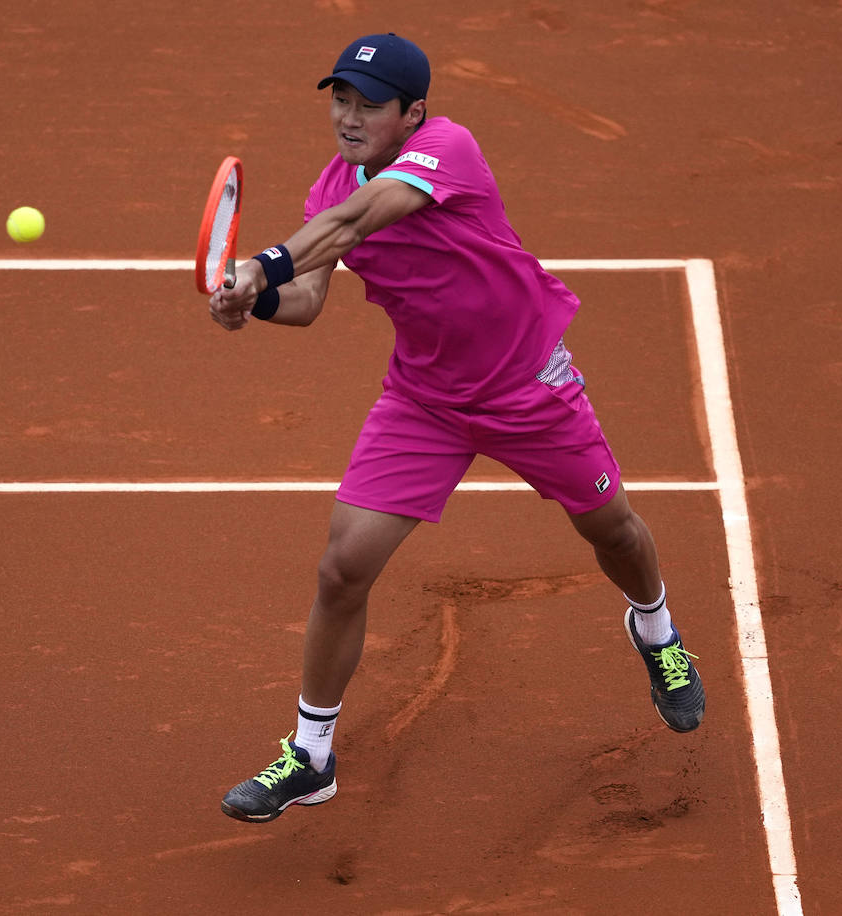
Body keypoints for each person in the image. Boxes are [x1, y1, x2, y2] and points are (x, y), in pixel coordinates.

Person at [209, 33, 704, 824]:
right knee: (343, 568)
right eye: (339, 98)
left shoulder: (448, 150)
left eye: (368, 104)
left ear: (414, 116)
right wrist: (256, 301)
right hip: (426, 400)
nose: (348, 116)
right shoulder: (327, 188)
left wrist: (258, 265)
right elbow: (307, 299)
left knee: (613, 531)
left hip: (526, 384)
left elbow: (353, 223)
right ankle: (311, 755)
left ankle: (657, 628)